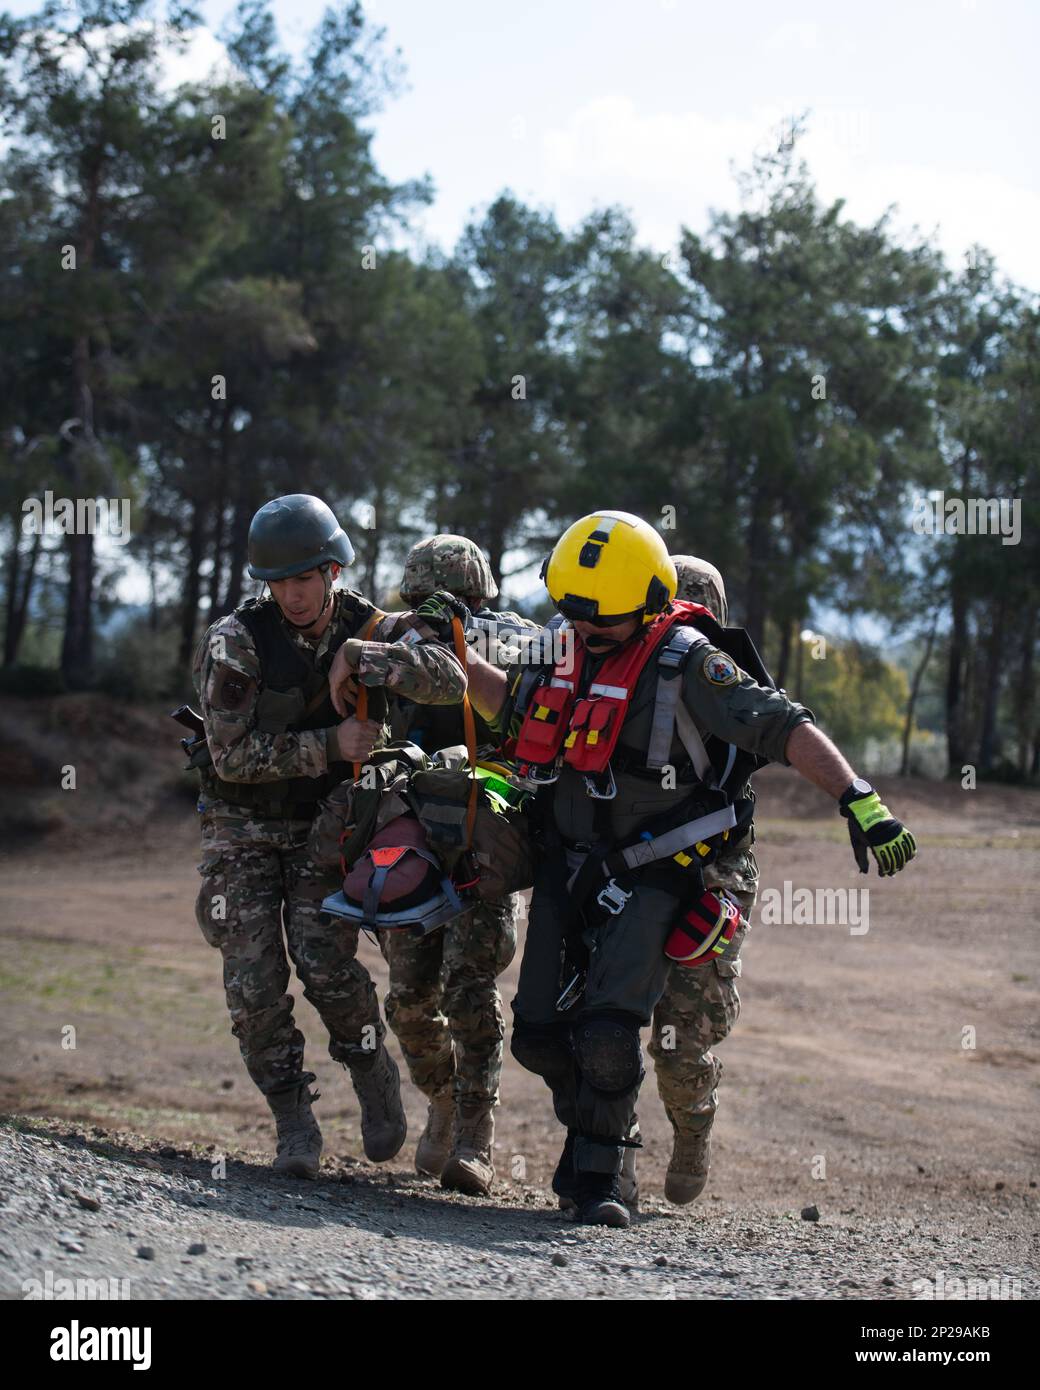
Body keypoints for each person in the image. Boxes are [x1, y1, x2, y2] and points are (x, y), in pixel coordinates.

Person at [459, 510, 917, 1227]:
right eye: (572, 616)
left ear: (644, 606)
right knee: (538, 1035)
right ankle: (589, 1135)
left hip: (654, 872)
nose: (583, 632)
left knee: (610, 1033)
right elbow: (512, 709)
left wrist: (859, 798)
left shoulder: (689, 661)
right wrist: (448, 656)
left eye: (600, 622)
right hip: (563, 862)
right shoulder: (561, 645)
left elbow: (783, 724)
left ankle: (604, 1176)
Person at [191, 494, 466, 1179]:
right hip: (243, 829)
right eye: (280, 581)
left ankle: (372, 1069)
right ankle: (293, 1119)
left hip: (329, 829)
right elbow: (230, 757)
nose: (293, 593)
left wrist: (367, 656)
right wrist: (330, 742)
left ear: (334, 568)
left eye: (306, 577)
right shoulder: (238, 639)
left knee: (329, 969)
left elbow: (451, 679)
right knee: (253, 986)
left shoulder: (370, 623)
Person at [330, 534, 537, 1196]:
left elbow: (444, 674)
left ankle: (475, 1134)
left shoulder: (513, 641)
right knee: (415, 995)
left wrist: (366, 655)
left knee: (463, 987)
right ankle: (446, 1106)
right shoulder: (396, 633)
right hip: (411, 838)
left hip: (484, 837)